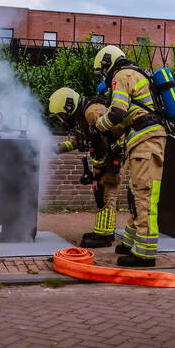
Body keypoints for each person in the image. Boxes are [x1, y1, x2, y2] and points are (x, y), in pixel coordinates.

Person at [92, 45, 167, 267]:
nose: (104, 76)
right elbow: (127, 117)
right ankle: (132, 242)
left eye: (102, 70)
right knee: (136, 193)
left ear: (108, 64)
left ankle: (145, 254)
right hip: (142, 140)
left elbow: (117, 112)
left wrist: (99, 125)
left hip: (147, 141)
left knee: (144, 194)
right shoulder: (134, 74)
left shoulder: (122, 75)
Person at [48, 87, 124, 248]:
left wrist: (114, 158)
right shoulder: (83, 116)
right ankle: (103, 232)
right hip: (103, 160)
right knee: (101, 195)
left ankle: (104, 237)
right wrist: (56, 148)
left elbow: (117, 132)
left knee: (107, 194)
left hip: (111, 159)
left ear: (68, 106)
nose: (62, 118)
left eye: (62, 114)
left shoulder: (92, 112)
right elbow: (79, 140)